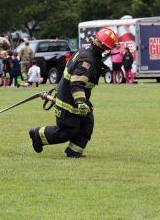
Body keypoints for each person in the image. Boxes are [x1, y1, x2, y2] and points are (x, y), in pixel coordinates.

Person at [28, 27, 117, 158]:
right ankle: (38, 135)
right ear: (103, 46)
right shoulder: (88, 60)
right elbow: (77, 82)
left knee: (87, 124)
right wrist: (80, 102)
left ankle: (74, 152)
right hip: (70, 100)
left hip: (72, 96)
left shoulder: (87, 51)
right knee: (68, 130)